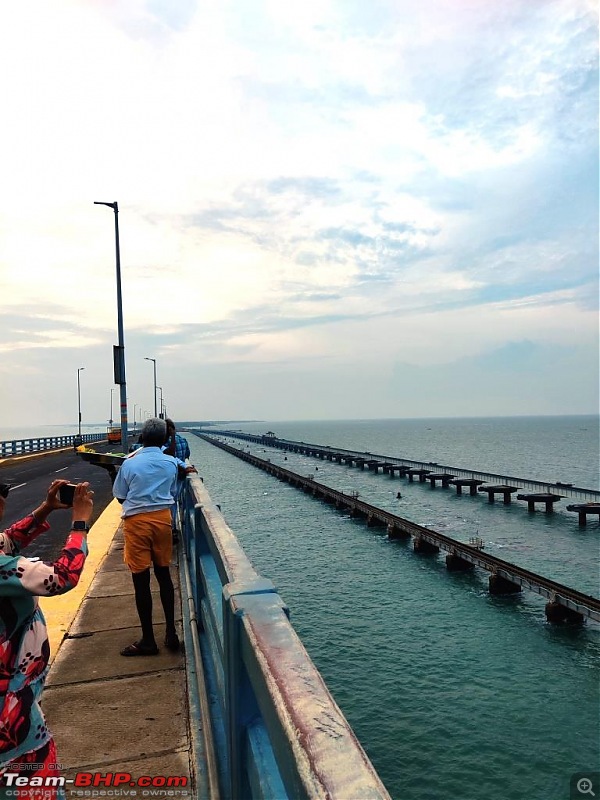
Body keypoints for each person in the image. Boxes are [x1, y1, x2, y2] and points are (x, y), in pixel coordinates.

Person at [0, 479, 93, 791]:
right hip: (10, 711)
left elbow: (8, 540)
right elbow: (62, 577)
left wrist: (46, 509)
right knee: (32, 782)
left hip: (13, 694)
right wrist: (79, 523)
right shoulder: (4, 570)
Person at [113, 417, 190, 656]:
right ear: (166, 439)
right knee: (164, 575)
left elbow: (120, 495)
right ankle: (170, 632)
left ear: (142, 437)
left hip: (137, 523)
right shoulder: (171, 463)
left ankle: (148, 639)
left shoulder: (130, 463)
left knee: (141, 580)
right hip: (163, 520)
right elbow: (175, 489)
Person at [163, 419, 192, 538]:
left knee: (169, 502)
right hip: (180, 476)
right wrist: (185, 466)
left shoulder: (163, 444)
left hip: (168, 476)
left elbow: (168, 456)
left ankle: (171, 527)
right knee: (174, 501)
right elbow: (187, 455)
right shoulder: (183, 440)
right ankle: (173, 526)